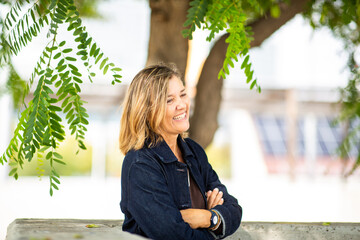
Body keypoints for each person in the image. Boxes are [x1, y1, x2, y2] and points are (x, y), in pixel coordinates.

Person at [119, 64, 242, 240]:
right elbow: (173, 235)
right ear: (147, 111)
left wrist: (207, 217)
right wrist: (211, 222)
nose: (182, 105)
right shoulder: (140, 164)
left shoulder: (193, 151)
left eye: (183, 95)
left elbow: (232, 208)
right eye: (169, 100)